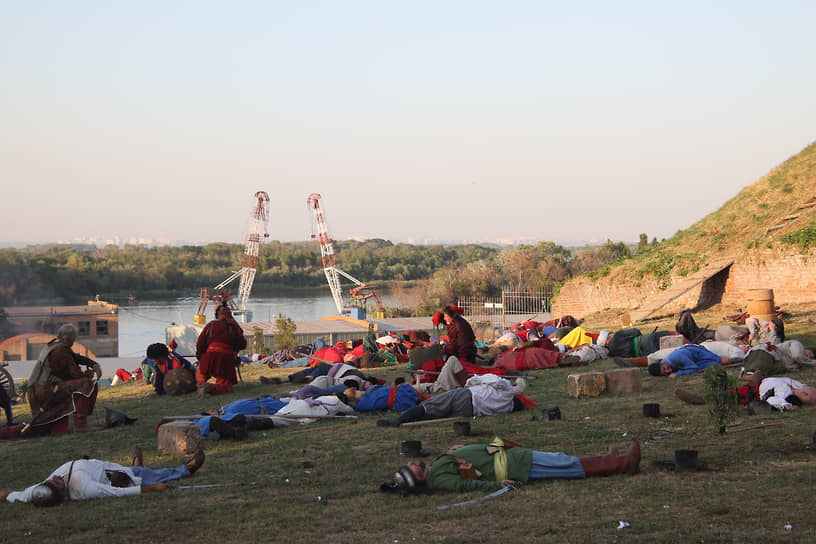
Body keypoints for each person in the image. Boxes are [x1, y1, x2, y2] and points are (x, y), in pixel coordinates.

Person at [387, 438, 640, 493]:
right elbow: (467, 484)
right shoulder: (438, 480)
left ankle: (612, 460)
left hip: (505, 454)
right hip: (512, 465)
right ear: (419, 479)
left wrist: (457, 450)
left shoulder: (436, 468)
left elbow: (465, 465)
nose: (412, 462)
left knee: (561, 459)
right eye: (412, 468)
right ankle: (622, 464)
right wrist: (499, 484)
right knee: (565, 464)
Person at [1, 446, 204, 505]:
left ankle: (134, 465)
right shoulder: (84, 489)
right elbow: (114, 493)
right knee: (145, 475)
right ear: (61, 494)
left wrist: (4, 494)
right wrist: (151, 489)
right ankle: (186, 469)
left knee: (135, 471)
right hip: (115, 477)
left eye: (50, 480)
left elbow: (10, 494)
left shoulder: (33, 492)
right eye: (56, 484)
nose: (55, 478)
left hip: (106, 466)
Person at [26, 324, 103, 434]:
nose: (75, 340)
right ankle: (81, 424)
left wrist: (93, 364)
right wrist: (87, 375)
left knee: (83, 382)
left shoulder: (55, 344)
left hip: (39, 389)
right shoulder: (60, 351)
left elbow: (75, 357)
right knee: (85, 383)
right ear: (69, 338)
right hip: (46, 391)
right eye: (74, 337)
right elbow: (74, 374)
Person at [377, 373, 525, 427]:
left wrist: (474, 379)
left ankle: (399, 420)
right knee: (436, 413)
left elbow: (493, 379)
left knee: (430, 405)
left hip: (466, 396)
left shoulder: (506, 388)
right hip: (469, 411)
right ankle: (407, 420)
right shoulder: (507, 408)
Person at [676, 376, 816, 412]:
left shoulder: (785, 396)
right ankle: (747, 376)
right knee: (757, 373)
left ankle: (699, 399)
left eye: (808, 396)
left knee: (728, 395)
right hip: (761, 380)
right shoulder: (797, 384)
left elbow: (773, 400)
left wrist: (787, 406)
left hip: (754, 393)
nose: (808, 390)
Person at [196, 303, 247, 395]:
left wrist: (201, 356)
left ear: (217, 315)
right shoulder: (234, 327)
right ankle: (211, 388)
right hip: (225, 359)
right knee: (225, 384)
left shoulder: (210, 325)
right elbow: (242, 344)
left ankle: (202, 386)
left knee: (200, 376)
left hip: (209, 356)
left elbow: (200, 343)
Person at [647, 344, 730, 377]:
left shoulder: (678, 357)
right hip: (692, 360)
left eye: (664, 368)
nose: (667, 371)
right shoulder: (667, 364)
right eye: (664, 373)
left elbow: (694, 369)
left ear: (661, 363)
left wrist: (678, 374)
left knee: (724, 361)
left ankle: (735, 357)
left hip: (697, 353)